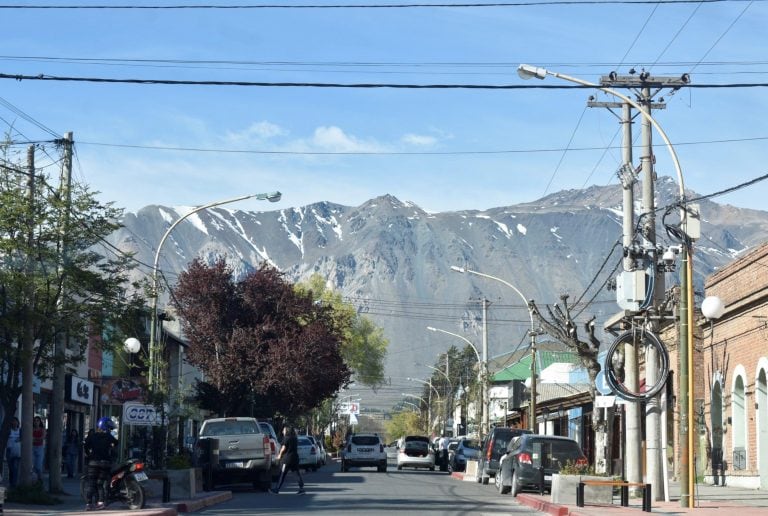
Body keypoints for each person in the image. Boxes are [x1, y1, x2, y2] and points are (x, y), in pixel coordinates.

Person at [83, 417, 118, 511]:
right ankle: (101, 503)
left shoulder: (92, 436)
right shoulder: (109, 436)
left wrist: (89, 454)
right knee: (100, 484)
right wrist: (110, 447)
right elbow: (116, 443)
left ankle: (89, 504)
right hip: (105, 463)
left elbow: (86, 446)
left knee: (91, 484)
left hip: (93, 463)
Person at [270, 426, 304, 495]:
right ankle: (301, 488)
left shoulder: (286, 438)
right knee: (296, 473)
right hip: (295, 458)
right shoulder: (295, 438)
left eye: (284, 430)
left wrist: (279, 455)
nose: (283, 431)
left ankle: (277, 489)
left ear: (287, 431)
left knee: (282, 474)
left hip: (287, 459)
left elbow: (283, 448)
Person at [5, 417, 21, 487]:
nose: (14, 423)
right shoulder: (9, 430)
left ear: (18, 423)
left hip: (17, 451)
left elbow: (23, 438)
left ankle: (14, 484)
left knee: (15, 468)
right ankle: (11, 482)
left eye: (16, 421)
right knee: (10, 468)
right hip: (9, 450)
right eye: (13, 421)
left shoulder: (20, 431)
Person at [31, 415, 45, 481]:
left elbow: (42, 438)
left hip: (40, 447)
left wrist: (34, 439)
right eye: (35, 421)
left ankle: (40, 479)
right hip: (32, 447)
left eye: (37, 421)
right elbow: (30, 439)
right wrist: (36, 439)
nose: (36, 422)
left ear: (40, 422)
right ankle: (35, 480)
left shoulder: (42, 429)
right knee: (33, 466)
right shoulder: (31, 429)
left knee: (38, 466)